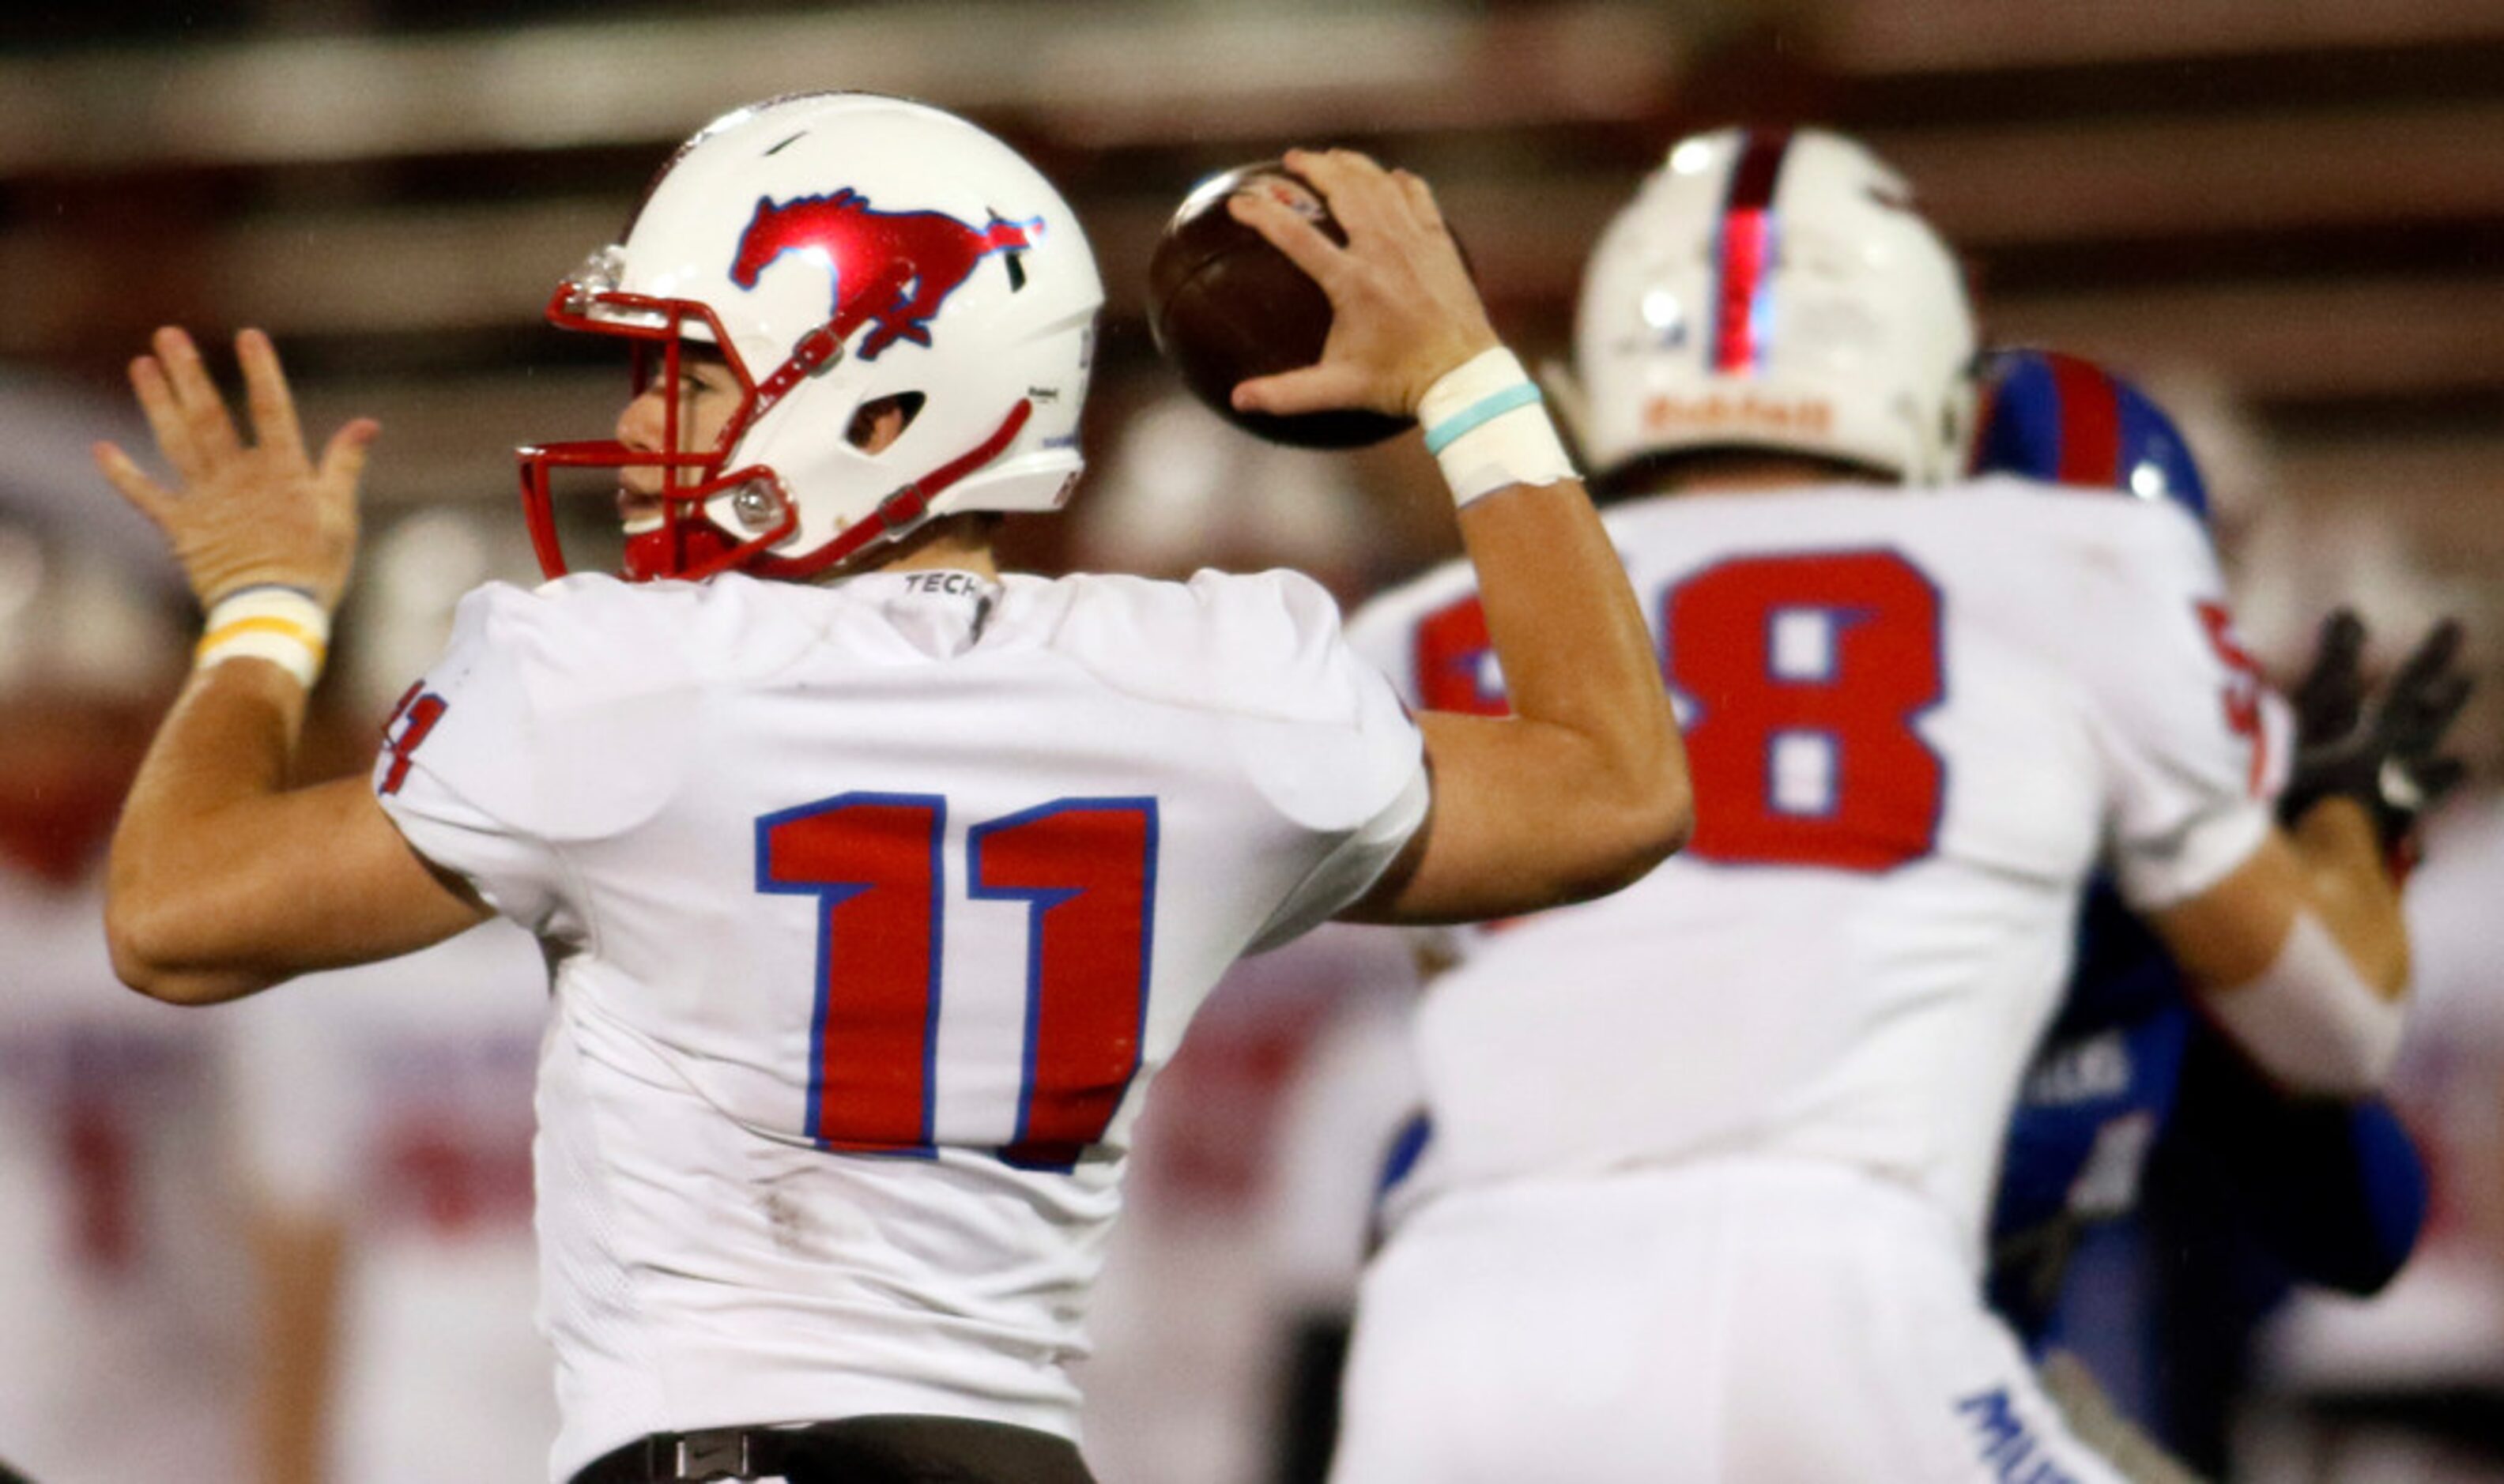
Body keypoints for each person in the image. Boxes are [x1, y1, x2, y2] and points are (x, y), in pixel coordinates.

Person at [92, 92, 1688, 1484]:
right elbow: (1613, 787)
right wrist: (1471, 384)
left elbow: (176, 918)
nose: (642, 429)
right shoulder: (1213, 688)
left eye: (694, 379)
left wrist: (260, 612)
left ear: (880, 406)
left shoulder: (621, 685)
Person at [1329, 126, 2441, 1483]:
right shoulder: (2068, 559)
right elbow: (2337, 1029)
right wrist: (2346, 818)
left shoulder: (1420, 625)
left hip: (1453, 1322)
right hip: (1826, 1291)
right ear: (1931, 373)